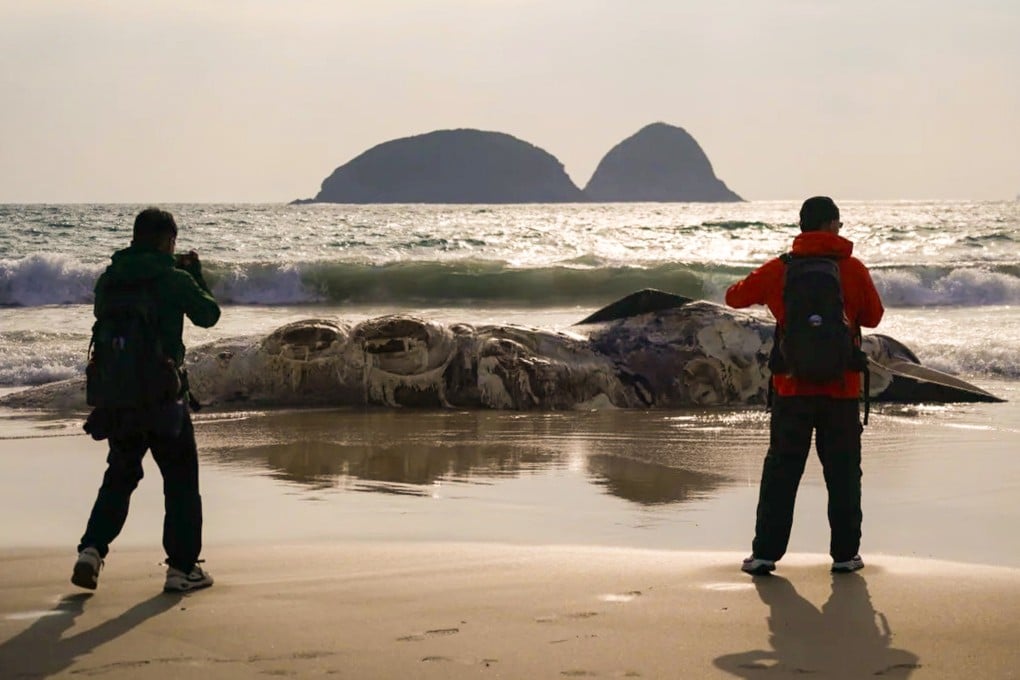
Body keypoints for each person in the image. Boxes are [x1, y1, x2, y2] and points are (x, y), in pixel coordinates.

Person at [725, 196, 884, 575]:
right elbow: (875, 317)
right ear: (831, 225)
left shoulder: (781, 269)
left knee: (782, 471)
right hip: (841, 389)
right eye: (839, 225)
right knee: (843, 474)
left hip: (791, 388)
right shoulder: (853, 269)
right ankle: (845, 556)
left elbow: (734, 297)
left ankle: (765, 554)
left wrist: (776, 299)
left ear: (801, 227)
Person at [72, 207, 221, 593]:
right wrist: (193, 274)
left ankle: (91, 550)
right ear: (167, 241)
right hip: (162, 396)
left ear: (134, 237)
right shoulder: (173, 279)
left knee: (120, 477)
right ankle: (182, 569)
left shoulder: (109, 279)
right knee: (181, 481)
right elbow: (209, 314)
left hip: (118, 396)